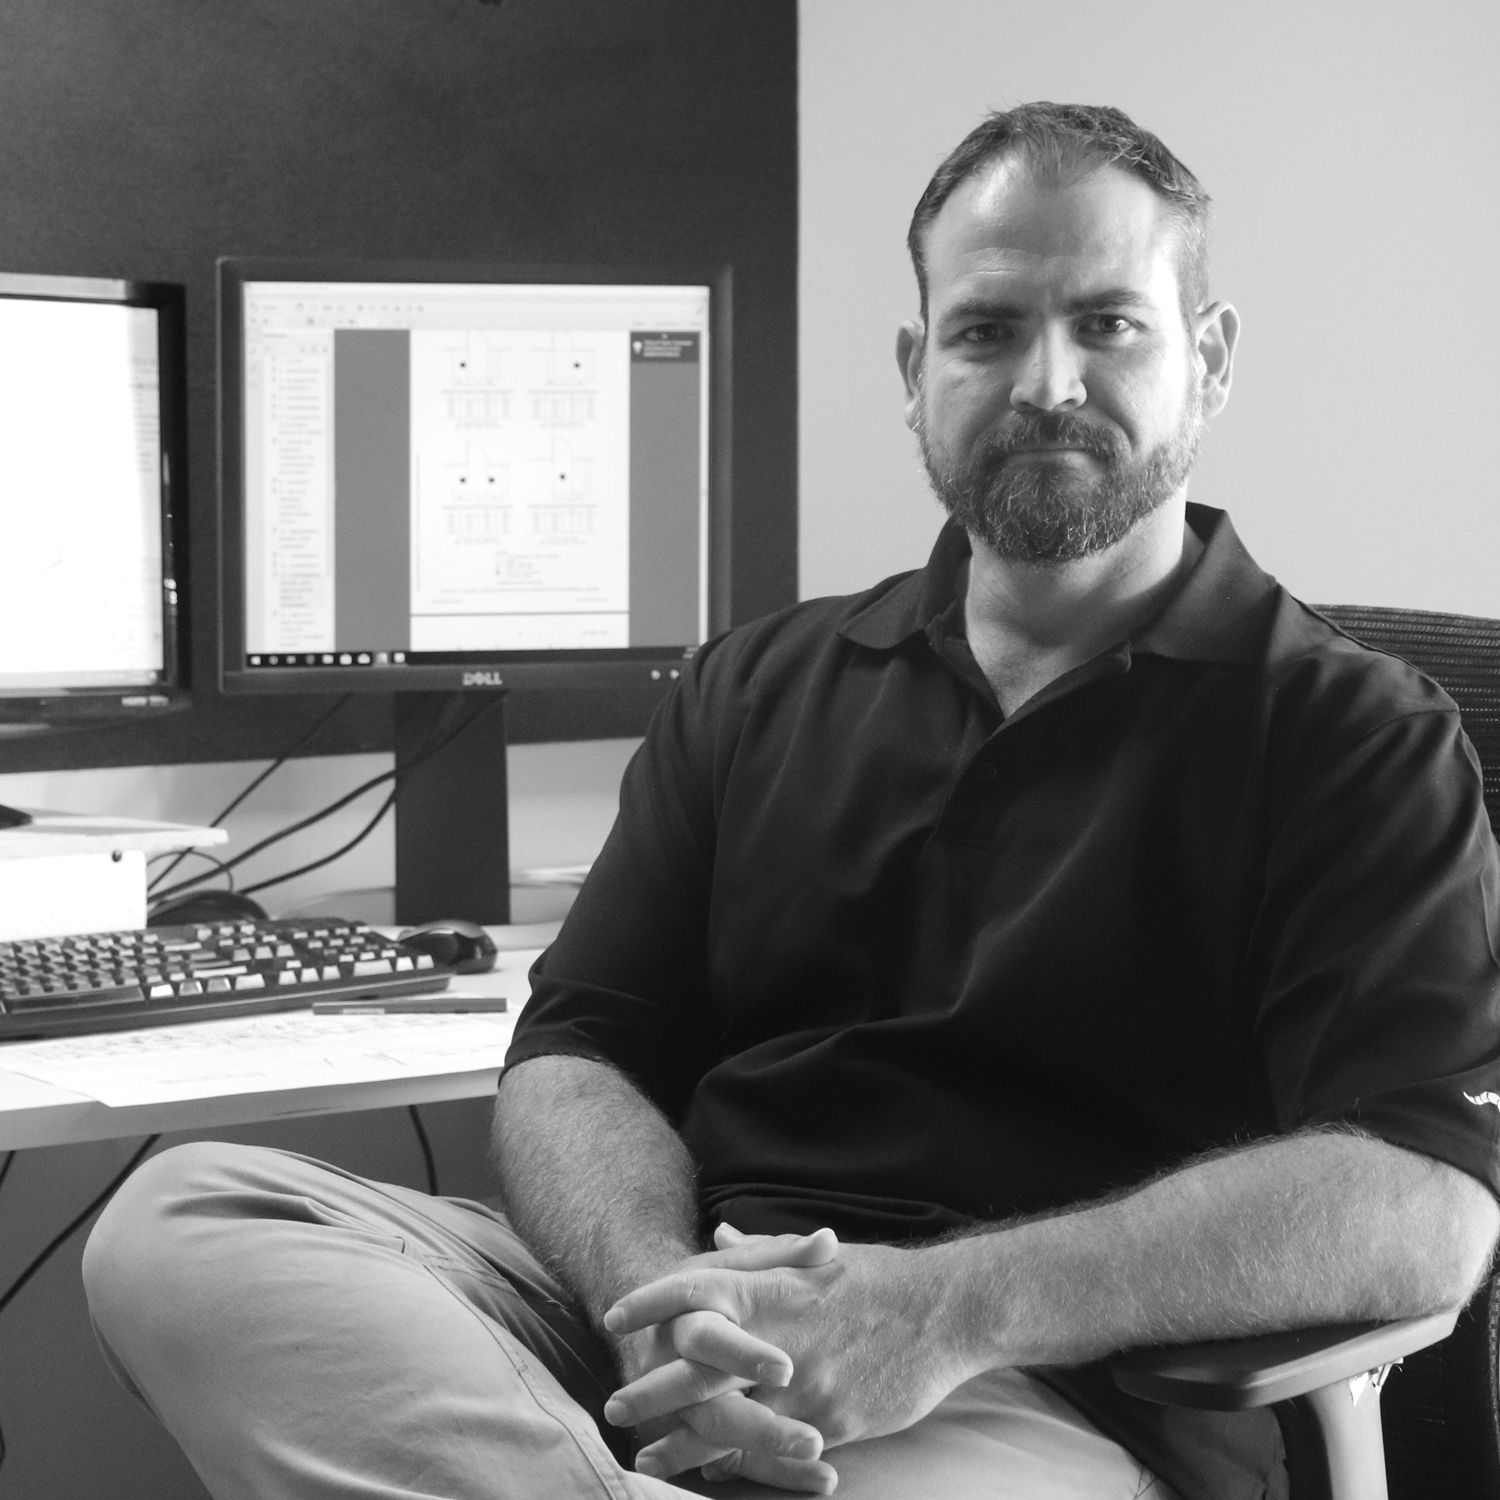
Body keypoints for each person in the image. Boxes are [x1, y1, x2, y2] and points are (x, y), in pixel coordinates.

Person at [84, 102, 1500, 1500]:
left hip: (1029, 1385)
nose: (1046, 382)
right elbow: (583, 1046)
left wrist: (939, 1312)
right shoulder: (759, 682)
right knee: (187, 1216)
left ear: (1211, 357)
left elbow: (1422, 1202)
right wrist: (668, 1303)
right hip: (673, 1322)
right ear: (914, 367)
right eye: (987, 329)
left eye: (1110, 323)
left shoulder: (1350, 734)